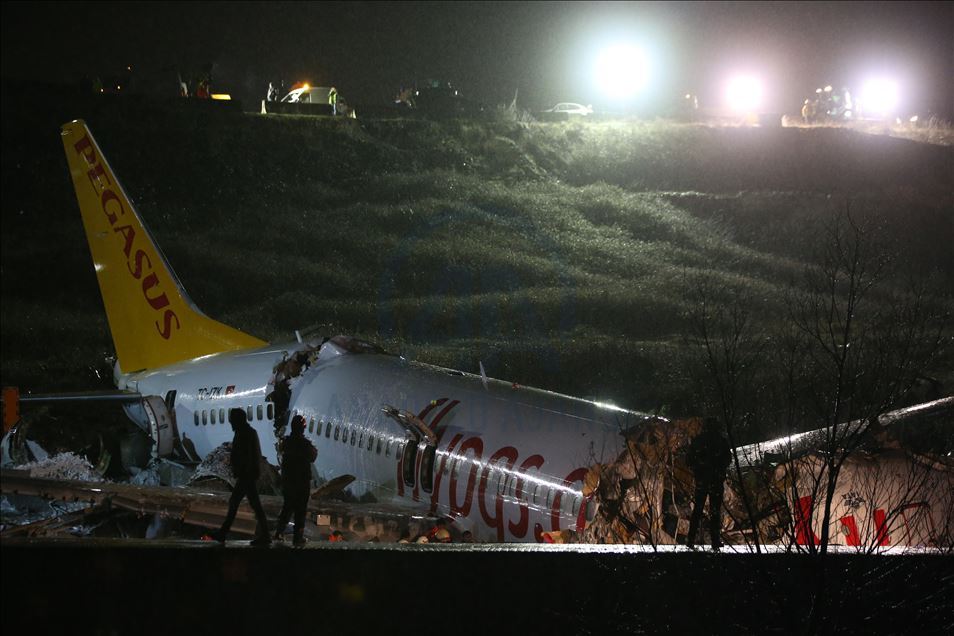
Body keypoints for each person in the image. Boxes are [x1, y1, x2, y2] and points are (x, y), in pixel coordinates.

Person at [213, 409, 271, 546]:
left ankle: (223, 533)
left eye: (232, 420)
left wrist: (241, 470)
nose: (231, 423)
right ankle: (265, 535)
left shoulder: (244, 434)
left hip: (246, 476)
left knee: (238, 503)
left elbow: (247, 456)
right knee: (253, 505)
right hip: (247, 475)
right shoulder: (247, 432)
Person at [686, 416, 732, 549]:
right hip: (715, 481)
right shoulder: (720, 441)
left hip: (703, 481)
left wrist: (700, 467)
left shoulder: (698, 441)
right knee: (714, 512)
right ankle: (714, 540)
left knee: (698, 510)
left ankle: (691, 539)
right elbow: (728, 460)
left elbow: (689, 460)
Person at [274, 415, 318, 547]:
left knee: (287, 507)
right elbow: (313, 456)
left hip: (288, 481)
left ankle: (278, 532)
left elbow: (281, 451)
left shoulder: (286, 442)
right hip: (302, 482)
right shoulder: (305, 444)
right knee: (300, 510)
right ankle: (298, 537)